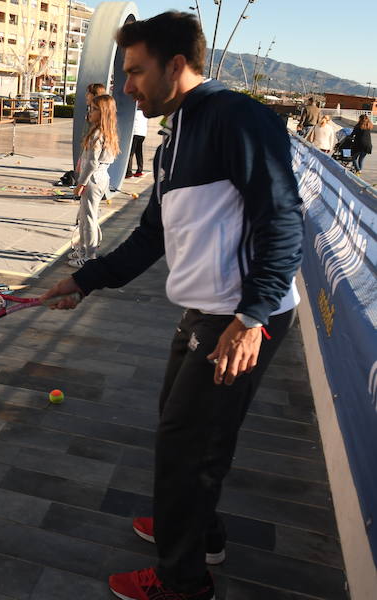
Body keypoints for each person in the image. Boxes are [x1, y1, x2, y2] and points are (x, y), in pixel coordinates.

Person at [40, 11, 303, 600]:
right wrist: (85, 280)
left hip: (238, 316)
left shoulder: (237, 119)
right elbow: (153, 234)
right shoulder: (175, 135)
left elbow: (284, 219)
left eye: (136, 71)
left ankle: (183, 582)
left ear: (176, 65)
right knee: (184, 430)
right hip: (206, 310)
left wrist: (251, 319)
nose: (127, 85)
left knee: (186, 447)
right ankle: (198, 531)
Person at [69, 94, 119, 267]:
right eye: (91, 107)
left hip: (93, 179)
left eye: (95, 109)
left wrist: (80, 183)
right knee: (86, 217)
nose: (90, 111)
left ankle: (89, 257)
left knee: (88, 218)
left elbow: (91, 163)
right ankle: (83, 251)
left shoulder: (97, 134)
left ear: (104, 112)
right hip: (100, 177)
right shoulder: (106, 132)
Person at [125, 106, 148, 177]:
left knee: (130, 153)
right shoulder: (144, 112)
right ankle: (139, 170)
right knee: (139, 152)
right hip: (142, 133)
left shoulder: (134, 112)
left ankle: (128, 172)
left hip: (135, 133)